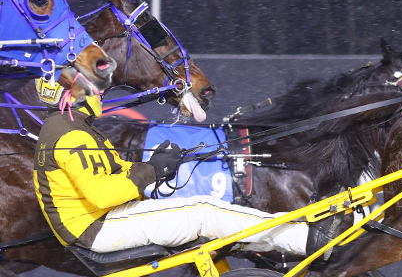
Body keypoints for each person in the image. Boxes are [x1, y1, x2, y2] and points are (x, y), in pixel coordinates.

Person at [33, 90, 335, 259]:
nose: (100, 93)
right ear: (72, 95)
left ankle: (292, 240)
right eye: (92, 89)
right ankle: (306, 239)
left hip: (104, 219)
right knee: (202, 212)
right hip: (97, 228)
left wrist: (159, 165)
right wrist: (152, 170)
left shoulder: (73, 128)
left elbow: (116, 173)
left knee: (208, 215)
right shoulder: (69, 135)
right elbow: (101, 194)